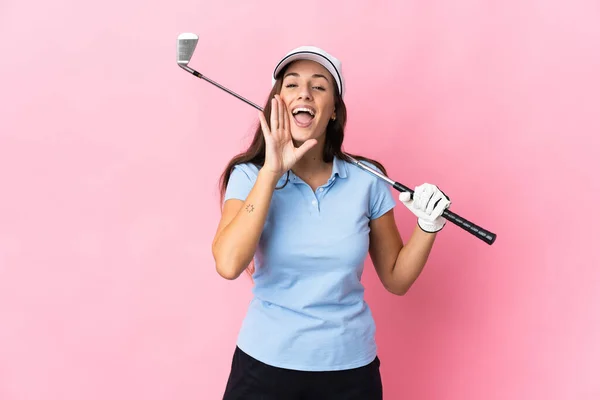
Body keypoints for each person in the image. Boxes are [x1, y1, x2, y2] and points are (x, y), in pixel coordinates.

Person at [212, 45, 451, 399]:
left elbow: (397, 279)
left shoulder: (367, 179)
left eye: (319, 86)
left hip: (350, 371)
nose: (304, 93)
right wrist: (273, 170)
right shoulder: (249, 175)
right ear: (276, 102)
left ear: (334, 111)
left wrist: (428, 227)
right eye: (291, 85)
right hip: (265, 366)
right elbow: (229, 264)